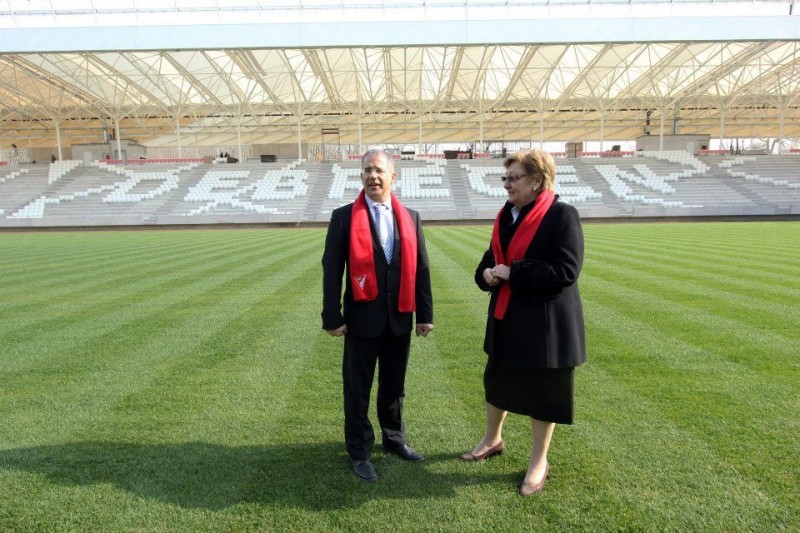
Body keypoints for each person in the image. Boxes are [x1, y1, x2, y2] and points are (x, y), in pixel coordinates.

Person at [461, 148, 586, 497]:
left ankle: (538, 461)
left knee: (543, 393)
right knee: (497, 380)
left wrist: (513, 272)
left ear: (537, 180)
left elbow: (566, 270)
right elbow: (490, 259)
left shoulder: (562, 215)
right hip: (507, 318)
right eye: (505, 178)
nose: (507, 185)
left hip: (546, 325)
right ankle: (492, 440)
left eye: (513, 178)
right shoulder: (506, 216)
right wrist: (486, 275)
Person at [322, 148, 434, 482]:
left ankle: (393, 438)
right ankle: (359, 450)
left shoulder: (410, 217)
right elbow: (332, 270)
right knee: (357, 388)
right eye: (367, 170)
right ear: (361, 176)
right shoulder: (344, 217)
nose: (373, 176)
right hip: (360, 320)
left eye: (379, 171)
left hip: (399, 316)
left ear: (392, 177)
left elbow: (422, 269)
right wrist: (332, 316)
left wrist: (424, 314)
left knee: (394, 386)